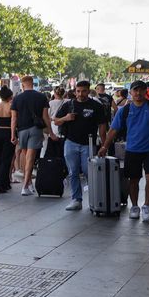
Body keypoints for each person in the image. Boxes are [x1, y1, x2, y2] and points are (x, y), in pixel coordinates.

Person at [99, 81, 149, 222]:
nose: (138, 93)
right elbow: (113, 130)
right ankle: (134, 206)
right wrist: (104, 146)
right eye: (135, 90)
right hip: (132, 149)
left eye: (141, 90)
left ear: (146, 91)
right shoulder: (124, 110)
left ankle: (146, 205)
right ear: (130, 92)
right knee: (133, 180)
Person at [54, 81, 108, 211]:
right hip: (70, 142)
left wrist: (104, 145)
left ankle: (95, 198)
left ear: (88, 91)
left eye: (83, 91)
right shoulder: (68, 105)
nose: (80, 94)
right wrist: (66, 118)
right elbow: (56, 121)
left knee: (88, 171)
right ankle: (76, 199)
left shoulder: (96, 106)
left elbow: (102, 126)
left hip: (88, 143)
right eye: (78, 91)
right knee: (72, 172)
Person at [10, 75, 54, 196]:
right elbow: (46, 117)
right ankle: (25, 185)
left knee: (25, 155)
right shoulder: (41, 97)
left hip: (22, 130)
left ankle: (28, 183)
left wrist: (12, 134)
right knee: (30, 157)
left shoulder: (17, 98)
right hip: (35, 129)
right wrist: (51, 132)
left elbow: (14, 118)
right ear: (32, 84)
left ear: (23, 85)